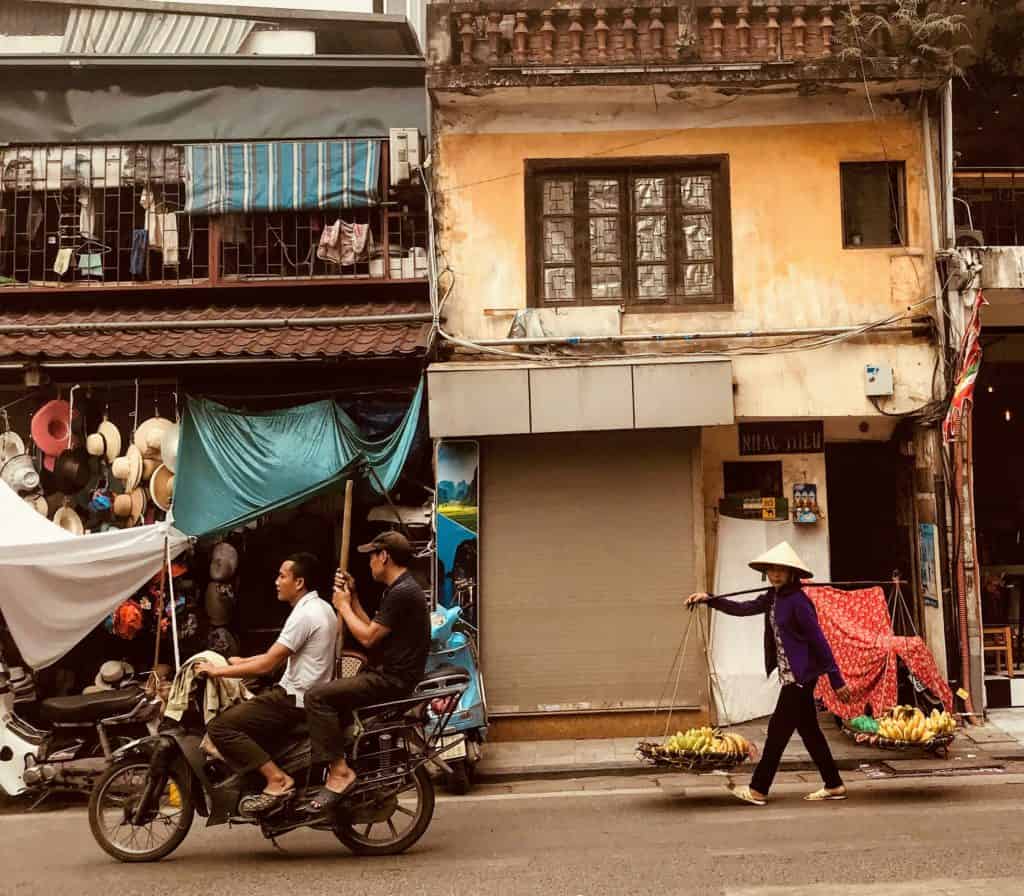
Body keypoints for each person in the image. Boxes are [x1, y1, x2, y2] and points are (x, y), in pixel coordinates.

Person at [686, 541, 853, 806]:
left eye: (781, 570)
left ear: (791, 574)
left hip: (799, 679)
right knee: (810, 731)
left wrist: (836, 680)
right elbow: (743, 609)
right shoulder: (773, 597)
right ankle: (833, 784)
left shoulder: (799, 602)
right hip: (792, 677)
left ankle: (758, 789)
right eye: (772, 570)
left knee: (777, 733)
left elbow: (819, 641)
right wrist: (710, 600)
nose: (775, 574)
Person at [196, 552, 337, 816]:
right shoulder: (321, 608)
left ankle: (277, 779)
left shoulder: (304, 615)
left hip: (293, 699)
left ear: (299, 582)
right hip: (303, 693)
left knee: (221, 727)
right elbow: (277, 654)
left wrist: (217, 673)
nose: (276, 581)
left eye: (282, 576)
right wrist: (239, 662)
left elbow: (267, 665)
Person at [301, 530, 430, 816]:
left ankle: (339, 772)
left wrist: (343, 606)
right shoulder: (399, 589)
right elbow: (373, 629)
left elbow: (369, 638)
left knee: (316, 697)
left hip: (391, 680)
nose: (370, 562)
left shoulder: (403, 593)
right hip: (388, 674)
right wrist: (354, 598)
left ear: (384, 556)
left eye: (372, 556)